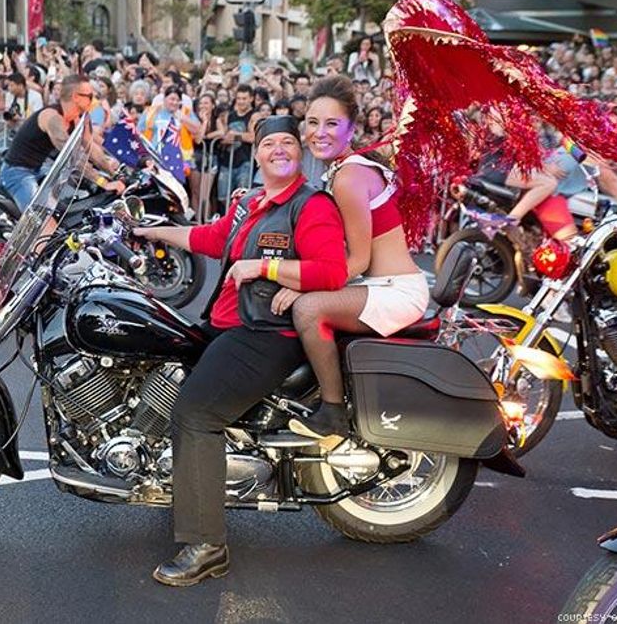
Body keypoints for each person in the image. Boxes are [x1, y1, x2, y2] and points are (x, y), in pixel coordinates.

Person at [132, 115, 348, 587]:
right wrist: (150, 232)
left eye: (287, 142)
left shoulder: (311, 206)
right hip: (227, 325)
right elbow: (210, 238)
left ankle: (208, 545)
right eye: (268, 142)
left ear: (300, 152)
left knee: (196, 412)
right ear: (256, 154)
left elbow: (332, 273)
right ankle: (180, 481)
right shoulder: (252, 202)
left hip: (267, 333)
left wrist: (265, 267)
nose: (278, 149)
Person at [267, 76, 427, 439]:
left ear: (352, 128)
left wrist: (302, 286)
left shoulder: (349, 176)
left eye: (332, 124)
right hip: (378, 285)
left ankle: (332, 411)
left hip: (395, 290)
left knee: (308, 309)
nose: (319, 132)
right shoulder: (343, 169)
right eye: (312, 122)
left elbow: (356, 260)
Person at [0, 74, 123, 210]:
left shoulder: (80, 118)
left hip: (39, 168)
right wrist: (102, 182)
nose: (93, 101)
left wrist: (113, 174)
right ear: (76, 97)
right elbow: (73, 156)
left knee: (67, 201)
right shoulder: (52, 118)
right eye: (90, 96)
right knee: (39, 219)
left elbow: (91, 148)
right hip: (17, 172)